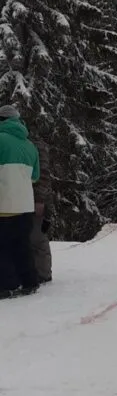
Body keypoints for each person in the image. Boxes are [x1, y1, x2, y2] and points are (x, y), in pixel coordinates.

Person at [0, 104, 40, 299]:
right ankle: (30, 282)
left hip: (3, 204)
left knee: (2, 247)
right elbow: (35, 177)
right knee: (21, 245)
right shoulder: (30, 145)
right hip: (25, 206)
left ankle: (7, 286)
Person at [30, 138, 52, 283]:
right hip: (25, 196)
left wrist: (39, 199)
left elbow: (43, 174)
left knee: (37, 236)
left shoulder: (35, 144)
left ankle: (43, 274)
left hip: (36, 197)